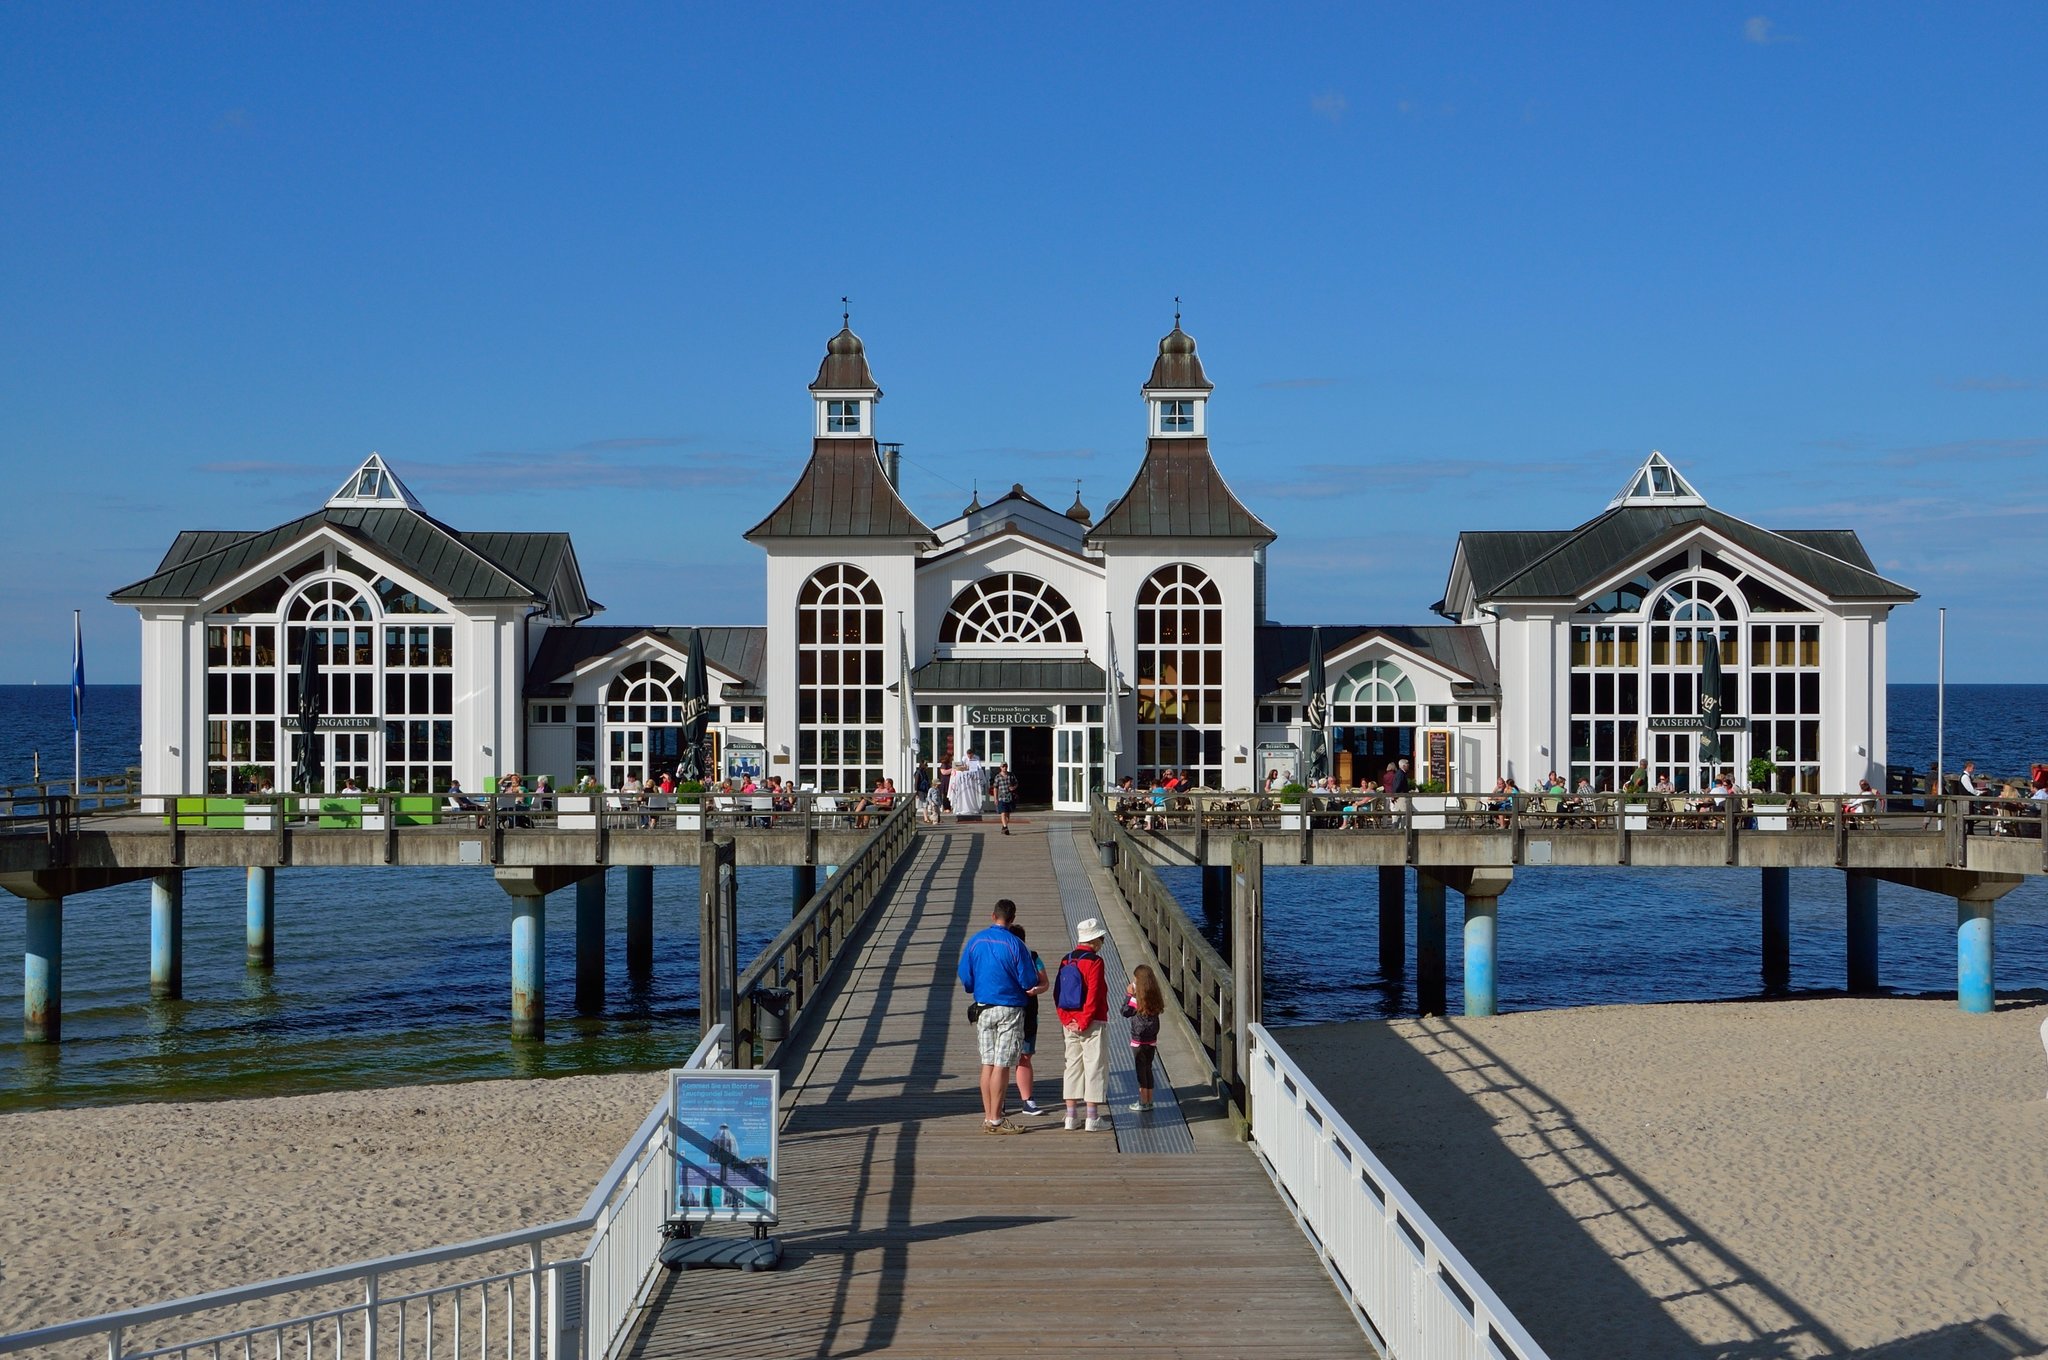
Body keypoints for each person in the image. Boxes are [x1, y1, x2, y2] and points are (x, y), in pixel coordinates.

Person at [954, 898, 1039, 1134]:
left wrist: (975, 986)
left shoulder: (976, 940)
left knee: (987, 1063)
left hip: (983, 1007)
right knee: (1002, 1065)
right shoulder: (1016, 944)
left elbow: (965, 974)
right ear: (1012, 919)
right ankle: (996, 1119)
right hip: (1010, 1008)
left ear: (993, 916)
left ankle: (988, 1116)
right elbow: (1028, 980)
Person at [1058, 918, 1112, 1131]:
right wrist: (1084, 1021)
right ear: (1095, 940)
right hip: (1092, 1021)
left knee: (1072, 1066)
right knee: (1094, 1065)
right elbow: (1094, 994)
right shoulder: (1095, 962)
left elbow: (1057, 993)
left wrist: (1066, 1019)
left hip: (1069, 1022)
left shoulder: (1066, 959)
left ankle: (1071, 1116)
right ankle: (1092, 1117)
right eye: (1102, 938)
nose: (1102, 942)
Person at [1007, 923, 1053, 1116]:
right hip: (1007, 1011)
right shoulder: (1002, 957)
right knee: (1001, 1059)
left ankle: (1027, 1100)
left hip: (1029, 1013)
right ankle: (999, 1102)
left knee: (1025, 1056)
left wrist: (1036, 990)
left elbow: (1045, 982)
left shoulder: (1033, 957)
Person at [1122, 963, 1165, 1113]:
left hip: (1138, 1039)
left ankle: (1143, 1101)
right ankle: (1150, 1100)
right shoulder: (1155, 997)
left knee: (1141, 1070)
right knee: (1148, 1068)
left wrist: (1129, 995)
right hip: (1151, 1038)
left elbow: (1125, 1012)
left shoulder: (1136, 1000)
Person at [991, 762, 1018, 835]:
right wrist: (995, 798)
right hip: (1001, 797)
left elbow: (1016, 783)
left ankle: (1004, 827)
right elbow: (995, 788)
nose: (1005, 768)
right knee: (1003, 812)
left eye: (1006, 766)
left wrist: (1013, 787)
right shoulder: (998, 777)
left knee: (1007, 814)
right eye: (1003, 766)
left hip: (1009, 797)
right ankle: (1006, 828)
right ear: (1000, 768)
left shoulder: (1011, 775)